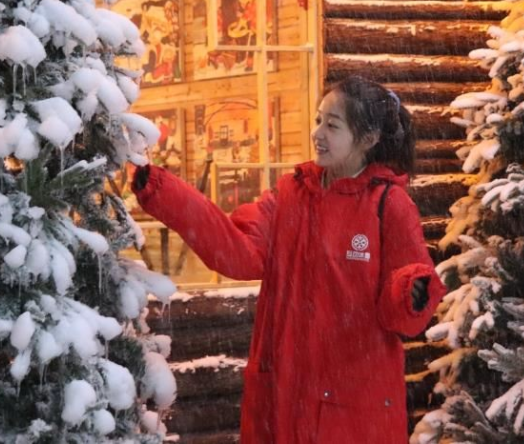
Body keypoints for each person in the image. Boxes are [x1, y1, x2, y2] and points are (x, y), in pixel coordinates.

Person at [131, 76, 447, 443]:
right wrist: (162, 191)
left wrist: (413, 293)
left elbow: (404, 309)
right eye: (318, 120)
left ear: (368, 138)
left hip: (352, 410)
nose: (318, 133)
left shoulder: (389, 205)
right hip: (281, 397)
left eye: (332, 125)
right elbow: (238, 254)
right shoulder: (290, 194)